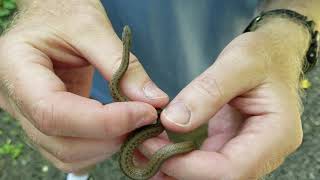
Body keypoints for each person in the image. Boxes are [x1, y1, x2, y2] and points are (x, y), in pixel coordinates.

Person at [0, 0, 319, 179]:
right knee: (82, 133)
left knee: (163, 127)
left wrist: (284, 38)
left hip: (217, 72)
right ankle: (79, 171)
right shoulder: (114, 67)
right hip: (89, 66)